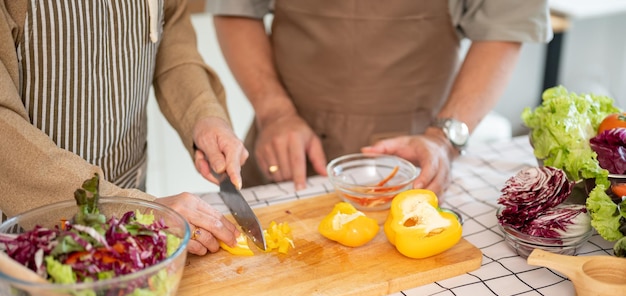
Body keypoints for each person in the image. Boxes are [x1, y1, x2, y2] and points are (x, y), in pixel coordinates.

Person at [207, 0, 553, 196]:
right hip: (288, 158)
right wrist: (275, 112)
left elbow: (505, 25)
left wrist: (443, 138)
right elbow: (236, 8)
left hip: (416, 164)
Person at [0, 0, 248, 256]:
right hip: (23, 241)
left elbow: (170, 31)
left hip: (133, 225)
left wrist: (203, 113)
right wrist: (125, 210)